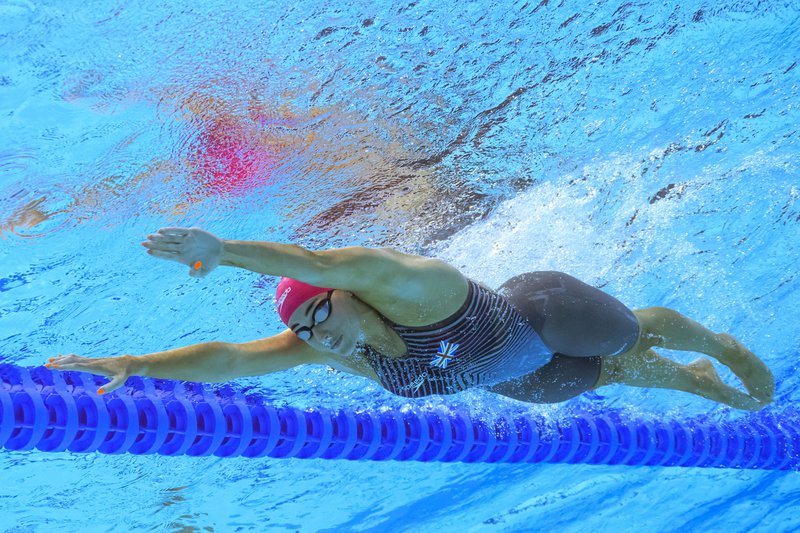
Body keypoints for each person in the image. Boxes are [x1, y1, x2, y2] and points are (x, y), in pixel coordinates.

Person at [46, 227, 775, 411]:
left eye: (318, 314)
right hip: (507, 374)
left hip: (539, 317)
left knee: (624, 337)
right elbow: (232, 359)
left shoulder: (410, 284)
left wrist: (222, 251)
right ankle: (698, 378)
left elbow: (322, 262)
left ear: (350, 293)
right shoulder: (338, 348)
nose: (314, 333)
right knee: (613, 380)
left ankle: (710, 340)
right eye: (302, 328)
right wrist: (138, 364)